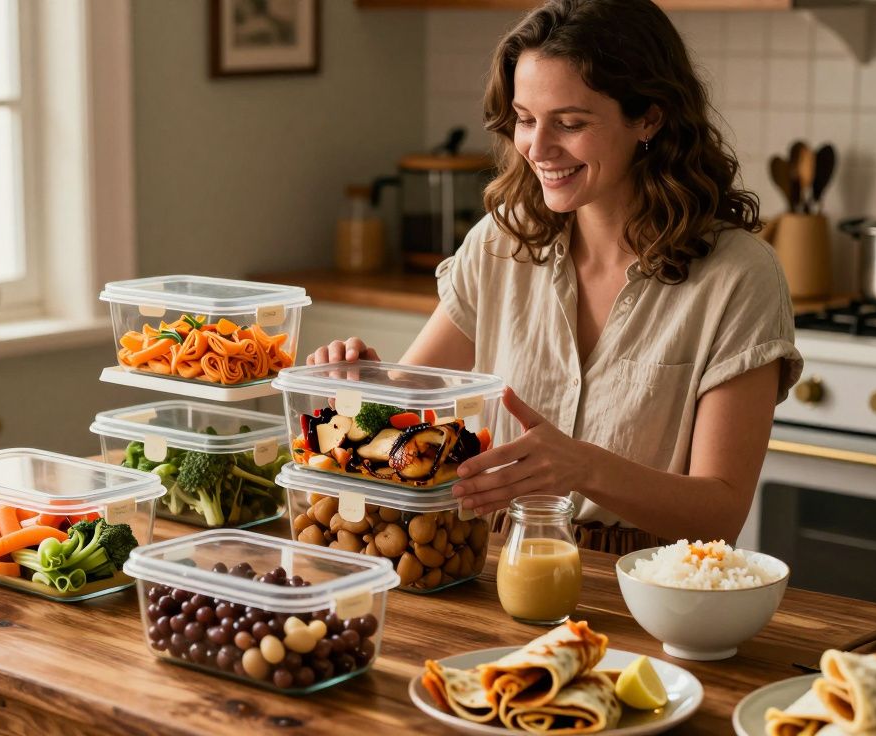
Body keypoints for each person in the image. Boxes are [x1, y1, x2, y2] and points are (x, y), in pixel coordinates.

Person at [306, 0, 803, 555]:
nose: (537, 150)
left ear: (649, 117)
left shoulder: (738, 278)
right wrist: (361, 387)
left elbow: (722, 513)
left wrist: (583, 466)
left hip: (649, 585)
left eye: (570, 123)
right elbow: (406, 408)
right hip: (490, 560)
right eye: (525, 119)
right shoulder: (501, 243)